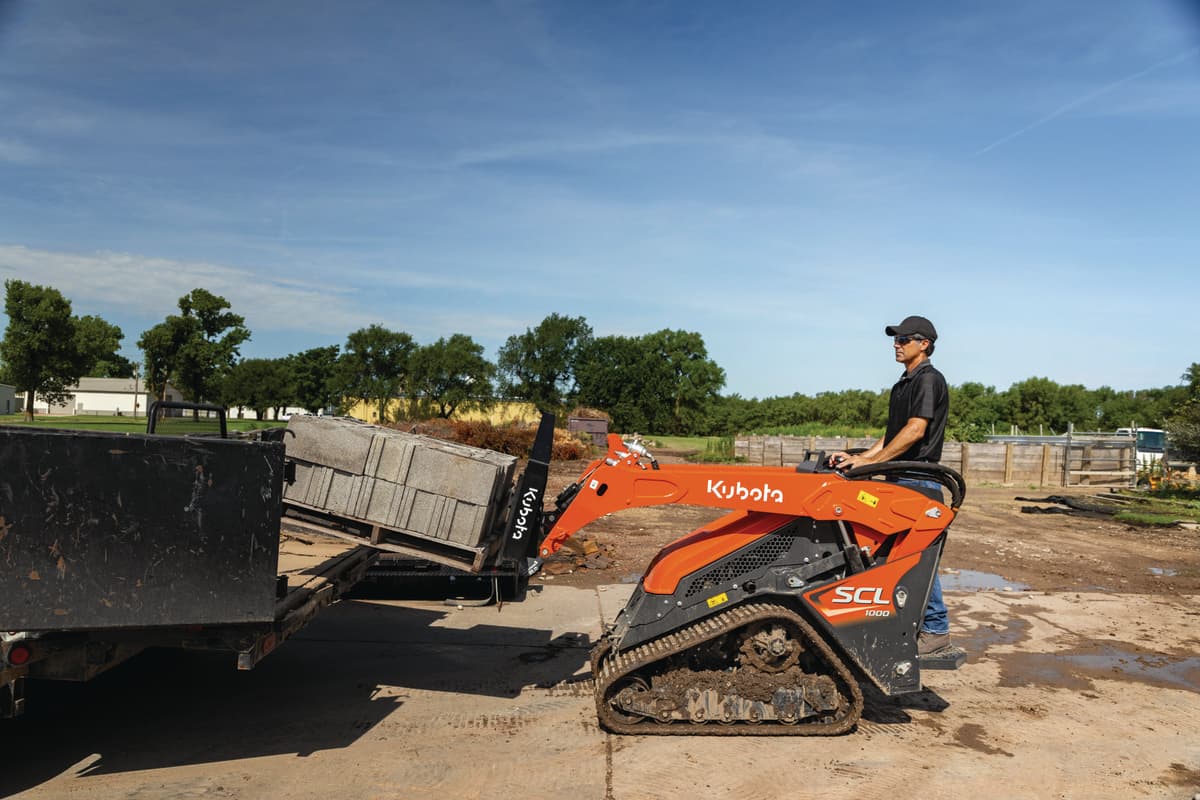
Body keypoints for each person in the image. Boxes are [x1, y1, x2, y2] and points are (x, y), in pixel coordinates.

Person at [827, 315, 952, 656]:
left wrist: (870, 464)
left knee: (917, 557)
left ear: (923, 344)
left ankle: (936, 630)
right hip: (901, 478)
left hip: (919, 480)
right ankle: (900, 623)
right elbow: (892, 436)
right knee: (892, 555)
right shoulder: (904, 383)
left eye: (903, 339)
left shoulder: (928, 380)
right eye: (895, 339)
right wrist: (860, 458)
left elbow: (915, 430)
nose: (896, 344)